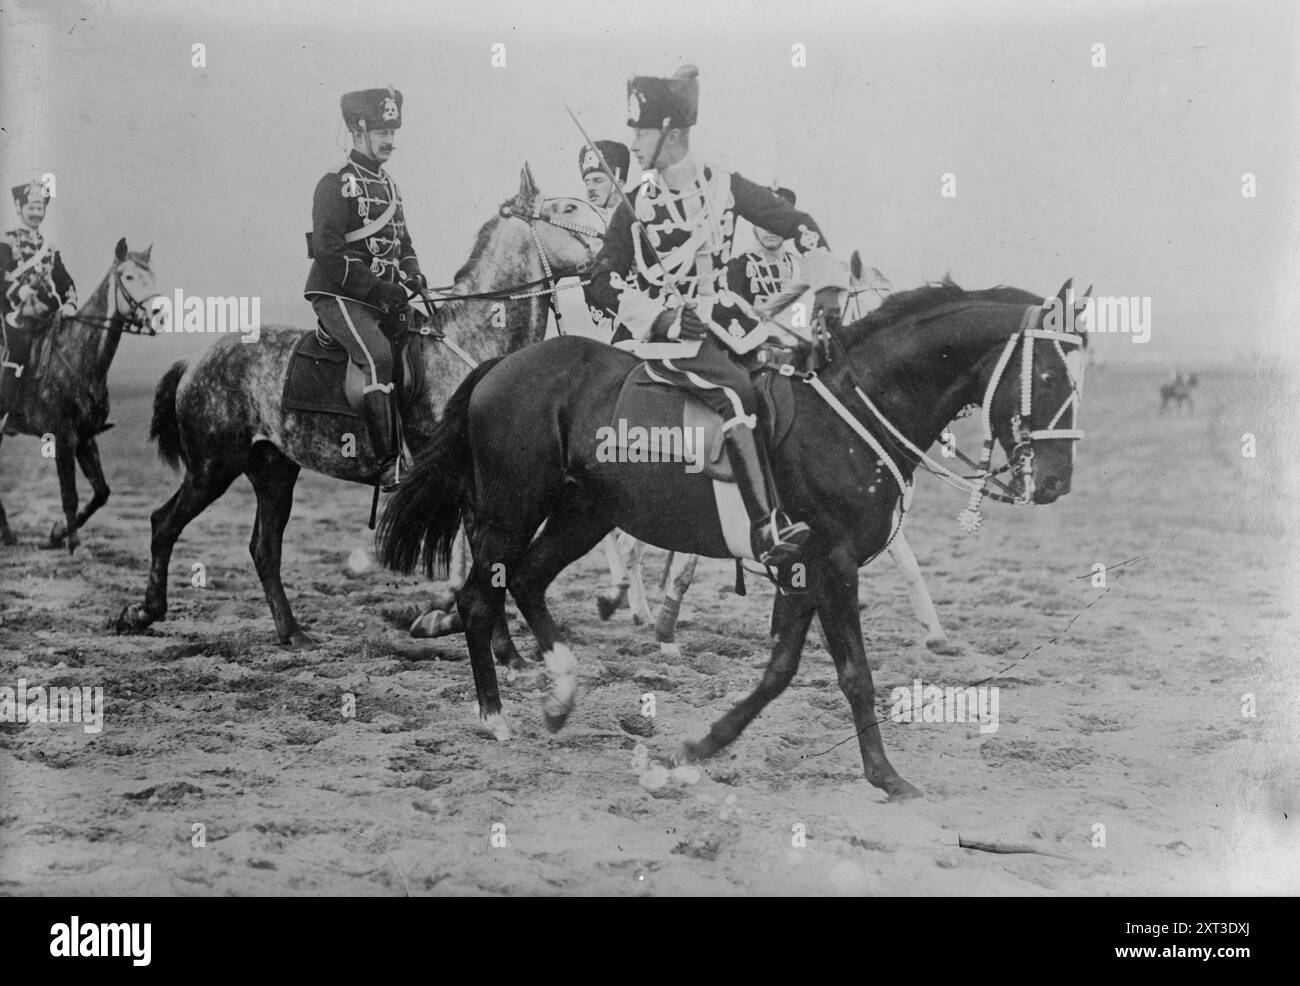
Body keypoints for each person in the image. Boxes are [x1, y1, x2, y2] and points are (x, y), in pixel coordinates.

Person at [587, 65, 849, 566]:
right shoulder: (635, 204)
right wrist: (661, 318)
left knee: (793, 372)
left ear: (673, 135)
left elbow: (797, 224)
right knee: (734, 391)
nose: (634, 144)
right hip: (669, 338)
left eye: (642, 132)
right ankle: (766, 526)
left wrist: (829, 283)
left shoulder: (724, 186)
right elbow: (601, 280)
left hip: (730, 324)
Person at [303, 86, 425, 489]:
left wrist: (412, 273)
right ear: (358, 131)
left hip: (380, 299)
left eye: (392, 132)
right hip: (338, 294)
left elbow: (403, 243)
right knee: (378, 357)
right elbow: (328, 248)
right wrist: (376, 290)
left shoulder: (390, 186)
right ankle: (387, 462)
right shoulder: (335, 182)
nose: (389, 141)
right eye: (381, 132)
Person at [0, 179, 78, 428]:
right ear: (19, 208)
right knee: (17, 352)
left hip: (46, 314)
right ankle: (6, 413)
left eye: (40, 208)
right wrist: (20, 290)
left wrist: (70, 303)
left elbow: (64, 281)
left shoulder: (49, 249)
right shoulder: (6, 243)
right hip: (13, 313)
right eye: (31, 208)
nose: (36, 213)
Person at [578, 140, 631, 338]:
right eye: (587, 182)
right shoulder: (589, 233)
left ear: (619, 183)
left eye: (598, 180)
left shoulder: (637, 220)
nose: (590, 188)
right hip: (608, 333)